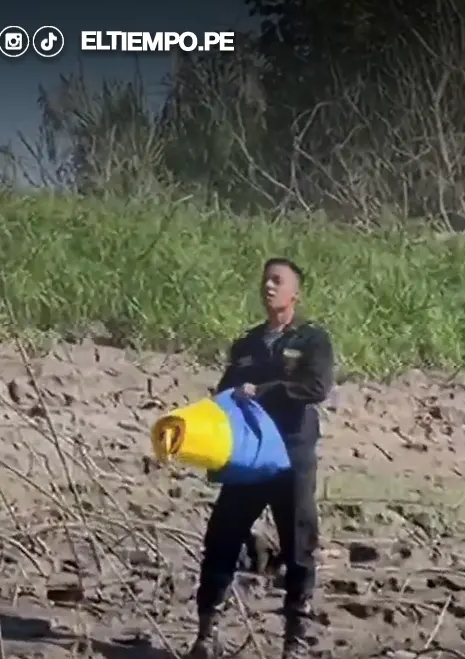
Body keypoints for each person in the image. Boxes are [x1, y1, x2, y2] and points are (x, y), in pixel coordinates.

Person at [186, 257, 335, 659]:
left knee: (299, 545)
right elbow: (225, 397)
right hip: (249, 457)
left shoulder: (311, 340)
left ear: (294, 294)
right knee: (221, 536)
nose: (268, 287)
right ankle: (206, 633)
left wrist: (264, 390)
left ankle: (295, 643)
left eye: (277, 281)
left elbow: (316, 387)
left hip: (291, 454)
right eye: (265, 281)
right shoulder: (247, 344)